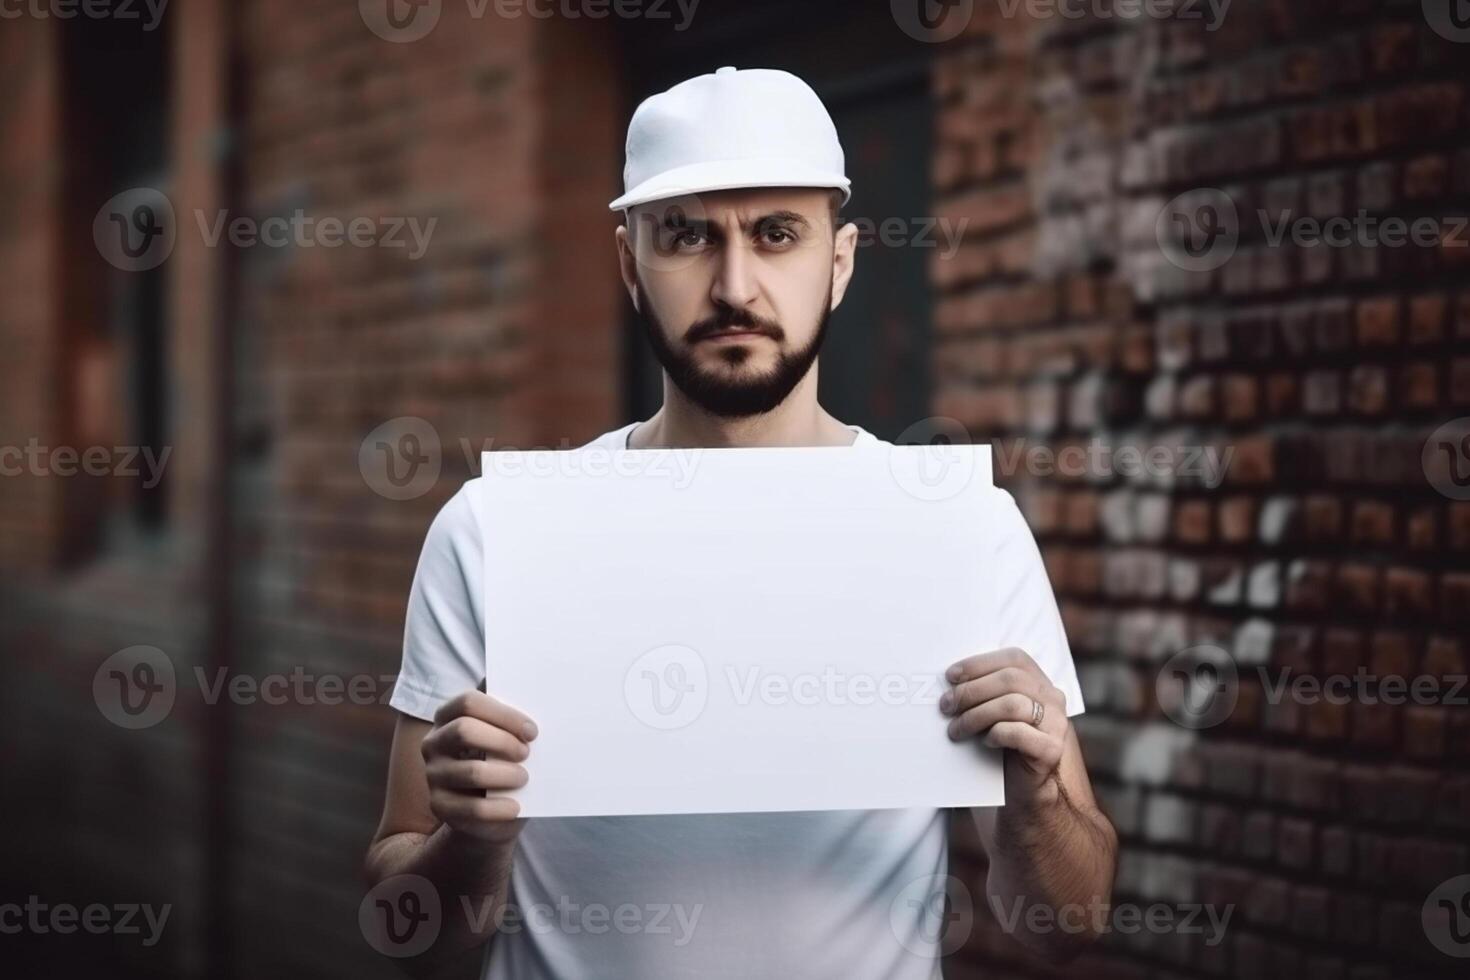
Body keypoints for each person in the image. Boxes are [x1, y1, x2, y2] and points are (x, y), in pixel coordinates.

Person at [365, 66, 1117, 979]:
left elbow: (1067, 925)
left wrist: (1037, 794)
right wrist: (474, 842)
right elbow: (408, 935)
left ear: (837, 264)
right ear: (628, 265)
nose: (733, 285)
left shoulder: (957, 530)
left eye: (775, 234)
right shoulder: (497, 533)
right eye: (686, 236)